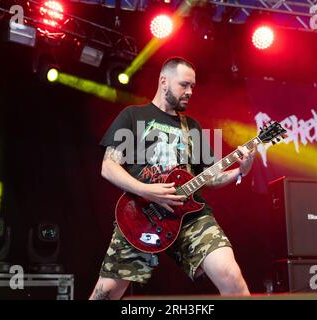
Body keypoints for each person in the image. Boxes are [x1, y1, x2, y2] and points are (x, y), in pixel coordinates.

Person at [89, 57, 255, 300]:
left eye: (193, 87)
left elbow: (210, 177)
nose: (189, 92)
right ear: (164, 81)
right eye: (184, 85)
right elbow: (109, 167)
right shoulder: (133, 116)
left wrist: (241, 170)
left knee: (230, 274)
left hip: (189, 215)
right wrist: (146, 190)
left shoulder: (193, 127)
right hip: (140, 215)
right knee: (106, 294)